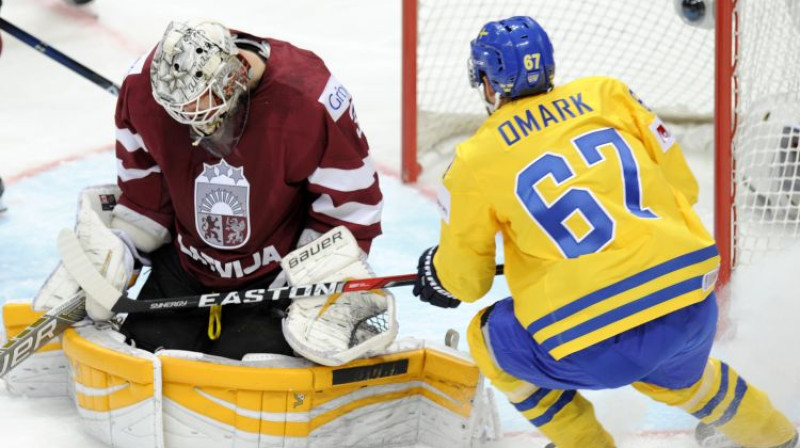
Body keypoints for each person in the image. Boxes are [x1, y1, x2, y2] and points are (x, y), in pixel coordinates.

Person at [412, 16, 797, 448]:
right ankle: (777, 437)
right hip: (692, 304)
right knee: (680, 376)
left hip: (594, 344)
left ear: (486, 82)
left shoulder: (473, 159)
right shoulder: (608, 93)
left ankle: (584, 443)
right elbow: (683, 190)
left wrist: (437, 272)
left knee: (486, 337)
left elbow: (467, 281)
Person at [34, 19, 386, 362]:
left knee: (250, 370)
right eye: (181, 115)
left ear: (234, 76)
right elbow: (145, 194)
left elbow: (350, 208)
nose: (195, 126)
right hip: (186, 264)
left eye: (205, 112)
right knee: (144, 355)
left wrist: (310, 282)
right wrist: (119, 250)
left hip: (274, 275)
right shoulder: (141, 89)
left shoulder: (310, 97)